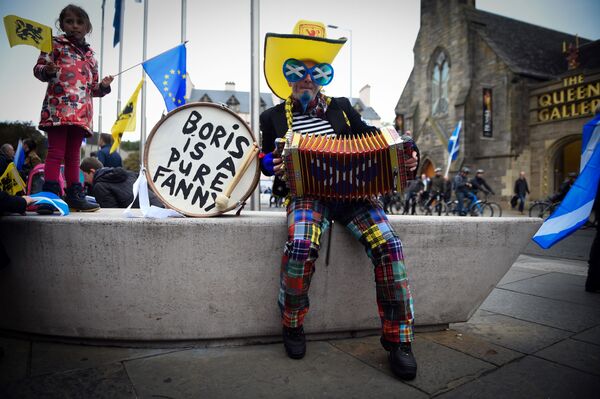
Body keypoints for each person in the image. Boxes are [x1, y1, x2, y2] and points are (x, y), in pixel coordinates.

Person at [259, 20, 418, 380]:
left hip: (355, 195)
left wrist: (409, 152)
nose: (307, 79)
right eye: (298, 72)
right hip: (306, 195)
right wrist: (274, 162)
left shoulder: (343, 108)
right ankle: (293, 322)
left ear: (322, 78)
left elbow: (376, 139)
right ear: (288, 78)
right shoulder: (272, 117)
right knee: (300, 246)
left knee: (390, 245)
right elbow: (266, 163)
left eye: (315, 73)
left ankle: (399, 338)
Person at [33, 4, 113, 213]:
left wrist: (103, 86)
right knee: (55, 152)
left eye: (80, 22)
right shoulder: (53, 44)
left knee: (73, 155)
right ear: (62, 25)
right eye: (69, 22)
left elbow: (93, 88)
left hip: (81, 113)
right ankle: (50, 197)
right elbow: (38, 69)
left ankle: (74, 195)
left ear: (88, 27)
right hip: (58, 109)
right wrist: (47, 70)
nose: (75, 26)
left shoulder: (91, 57)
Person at [80, 157, 163, 209]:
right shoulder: (128, 173)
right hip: (158, 208)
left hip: (146, 217)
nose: (83, 180)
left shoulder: (100, 186)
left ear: (92, 171)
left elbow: (111, 215)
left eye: (83, 175)